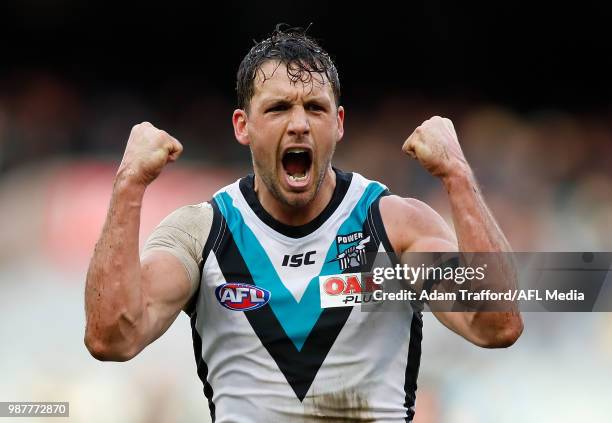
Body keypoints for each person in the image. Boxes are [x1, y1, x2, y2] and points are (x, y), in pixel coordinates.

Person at [84, 25, 523, 422]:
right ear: (243, 125)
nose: (298, 125)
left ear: (338, 123)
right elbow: (112, 338)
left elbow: (496, 323)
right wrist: (129, 185)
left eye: (315, 107)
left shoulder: (394, 225)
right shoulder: (203, 232)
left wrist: (458, 177)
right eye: (277, 109)